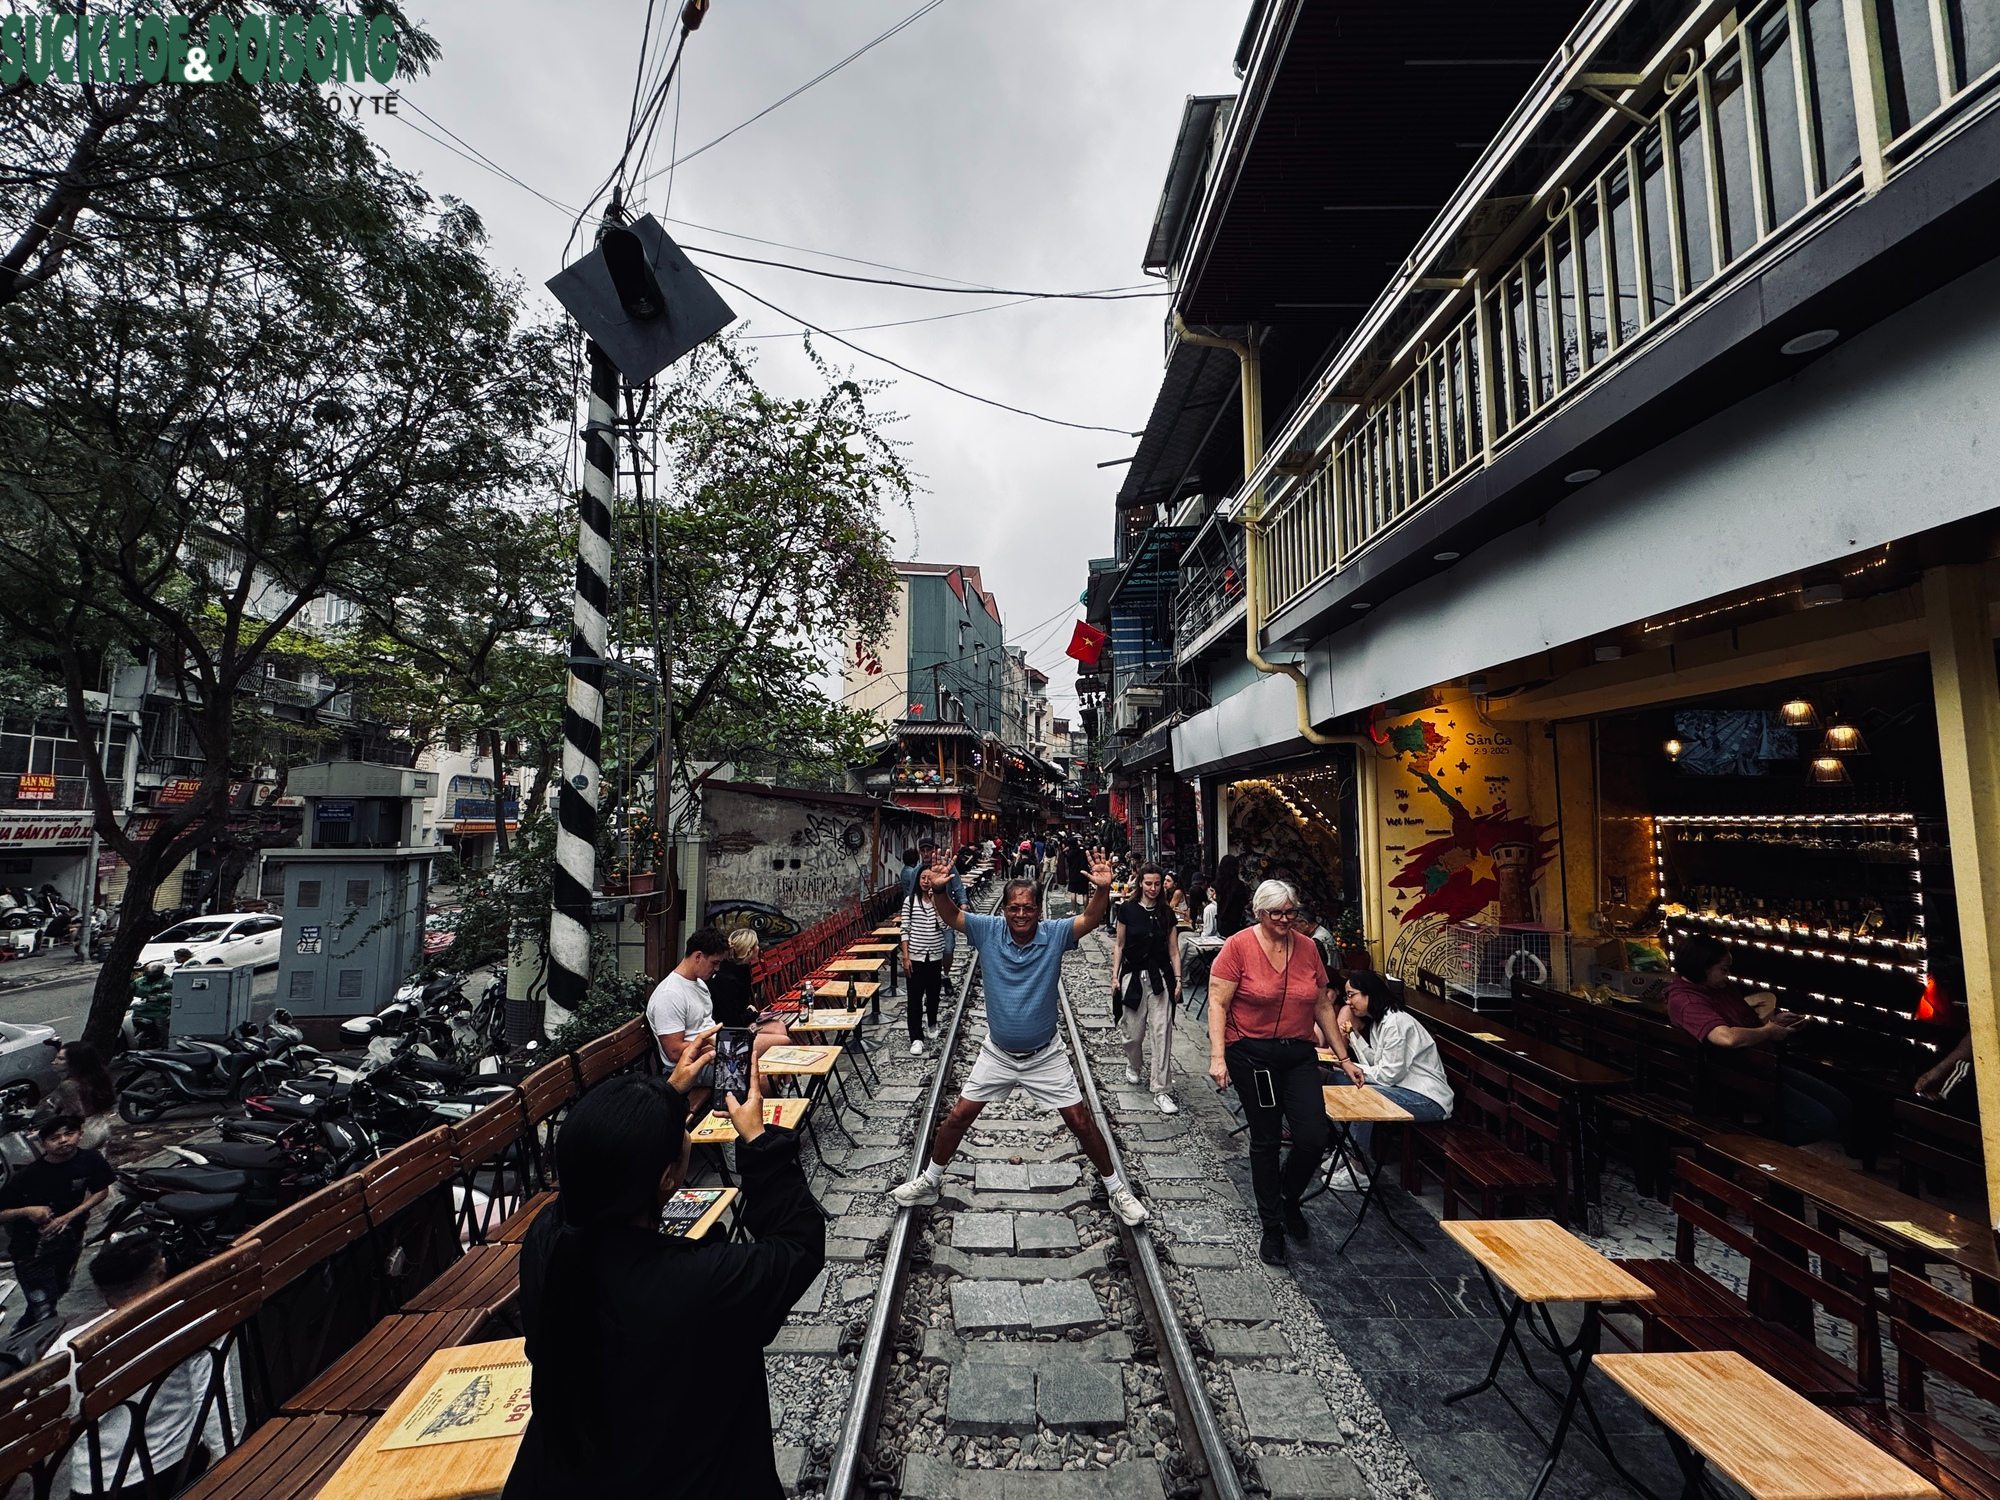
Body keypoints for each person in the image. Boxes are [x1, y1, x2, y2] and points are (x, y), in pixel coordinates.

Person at [503, 1041, 824, 1499]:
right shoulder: (699, 1283)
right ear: (666, 1180)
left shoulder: (547, 1240)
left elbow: (600, 1166)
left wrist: (662, 1099)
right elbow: (799, 1245)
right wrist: (757, 1140)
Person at [890, 852, 1150, 1226]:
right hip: (997, 1052)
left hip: (1045, 1054)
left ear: (1039, 909)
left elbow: (1092, 919)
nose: (1021, 915)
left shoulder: (1055, 934)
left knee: (1080, 1119)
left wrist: (1104, 890)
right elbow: (951, 917)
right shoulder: (989, 930)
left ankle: (1116, 1189)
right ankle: (930, 1181)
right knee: (959, 1115)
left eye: (1028, 908)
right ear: (1005, 910)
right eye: (1013, 908)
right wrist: (943, 891)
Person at [1206, 879, 1341, 1267]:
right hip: (1252, 1054)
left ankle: (1288, 1196)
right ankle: (1272, 1226)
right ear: (1260, 913)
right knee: (1265, 1138)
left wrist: (1343, 1057)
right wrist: (1218, 1057)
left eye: (1291, 912)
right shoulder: (1238, 946)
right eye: (1276, 914)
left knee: (1314, 1136)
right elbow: (1217, 1002)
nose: (1285, 920)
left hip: (1298, 1052)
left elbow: (1322, 1005)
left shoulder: (1309, 948)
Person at [56, 1232, 243, 1497]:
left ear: (101, 1292)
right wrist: (232, 1459)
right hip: (180, 1465)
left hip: (100, 1483)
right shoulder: (191, 1319)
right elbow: (212, 1399)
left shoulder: (70, 1347)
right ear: (162, 1268)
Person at [1665, 933, 1852, 1146]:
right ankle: (1745, 1147)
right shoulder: (1687, 1000)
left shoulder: (1718, 988)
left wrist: (1774, 1022)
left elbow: (1744, 1025)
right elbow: (1726, 1038)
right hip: (1732, 1076)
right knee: (1820, 1122)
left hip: (1760, 1064)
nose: (1728, 975)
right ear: (1702, 967)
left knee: (1840, 1104)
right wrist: (1768, 1032)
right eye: (1723, 970)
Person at [1325, 970, 1453, 1188]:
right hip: (1403, 1090)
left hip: (1427, 1099)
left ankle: (1358, 1167)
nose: (1348, 1002)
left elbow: (1388, 1075)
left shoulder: (1397, 1023)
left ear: (1369, 994)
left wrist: (1354, 1068)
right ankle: (1347, 1150)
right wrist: (1353, 1039)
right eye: (1346, 996)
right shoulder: (1380, 1022)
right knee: (1338, 1079)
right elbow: (1377, 1062)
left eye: (1351, 995)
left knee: (1363, 1094)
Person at [0, 1114, 113, 1321]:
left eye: (69, 1134)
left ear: (80, 1135)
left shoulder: (91, 1160)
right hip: (31, 1250)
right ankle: (27, 1342)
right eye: (54, 1138)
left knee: (60, 1290)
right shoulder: (27, 1176)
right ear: (43, 1144)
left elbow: (101, 1191)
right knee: (42, 1308)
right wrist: (28, 1211)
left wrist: (68, 1217)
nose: (63, 1140)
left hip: (70, 1241)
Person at [1110, 864, 1181, 1115]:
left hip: (1160, 979)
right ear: (1140, 883)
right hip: (1133, 977)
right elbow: (1119, 945)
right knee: (1133, 1034)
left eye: (1157, 884)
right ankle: (1134, 1063)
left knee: (1162, 1034)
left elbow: (1173, 950)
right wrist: (1114, 976)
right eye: (1148, 883)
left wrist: (1178, 978)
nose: (1152, 888)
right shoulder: (1127, 910)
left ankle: (1161, 1090)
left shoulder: (1166, 913)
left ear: (1162, 885)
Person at [645, 929, 729, 1113]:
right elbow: (675, 1052)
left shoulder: (698, 983)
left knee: (760, 1059)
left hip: (710, 1056)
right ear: (698, 956)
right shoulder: (670, 994)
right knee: (754, 1076)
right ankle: (743, 1137)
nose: (717, 969)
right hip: (687, 1069)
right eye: (714, 963)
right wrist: (711, 1048)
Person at [708, 930, 790, 1065]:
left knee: (779, 1025)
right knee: (783, 1041)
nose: (759, 948)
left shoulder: (743, 969)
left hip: (741, 1022)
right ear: (749, 951)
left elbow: (740, 1006)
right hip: (731, 1031)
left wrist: (753, 1013)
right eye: (756, 945)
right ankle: (775, 1078)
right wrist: (752, 1013)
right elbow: (731, 1020)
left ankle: (778, 1080)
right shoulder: (726, 979)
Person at [902, 864, 950, 1056]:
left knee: (933, 994)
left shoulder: (940, 902)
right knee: (914, 998)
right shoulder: (910, 901)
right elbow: (904, 930)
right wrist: (905, 957)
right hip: (915, 956)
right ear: (918, 880)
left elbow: (945, 927)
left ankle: (932, 1022)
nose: (925, 881)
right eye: (922, 878)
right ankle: (916, 1037)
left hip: (935, 955)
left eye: (929, 878)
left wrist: (936, 904)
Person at [41, 1042, 118, 1151]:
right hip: (101, 1127)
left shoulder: (68, 1085)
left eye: (61, 1059)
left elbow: (76, 1113)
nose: (54, 1062)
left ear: (74, 1063)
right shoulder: (94, 1078)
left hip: (85, 1133)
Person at [130, 962, 173, 1049]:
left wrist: (155, 997)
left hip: (158, 1009)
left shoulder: (167, 981)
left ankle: (166, 1044)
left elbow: (171, 994)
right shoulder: (139, 981)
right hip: (140, 1008)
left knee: (161, 1026)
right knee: (129, 1022)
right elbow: (130, 990)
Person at [1208, 856, 1249, 939]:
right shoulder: (1239, 885)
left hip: (1221, 922)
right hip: (1235, 923)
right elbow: (1245, 904)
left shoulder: (1217, 884)